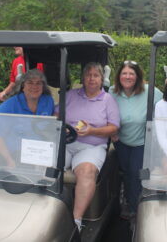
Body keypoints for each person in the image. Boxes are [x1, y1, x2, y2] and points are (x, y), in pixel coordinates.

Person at [56, 62, 120, 231]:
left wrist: (93, 130)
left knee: (86, 172)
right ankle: (48, 212)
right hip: (66, 142)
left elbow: (114, 127)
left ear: (101, 79)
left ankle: (75, 221)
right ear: (83, 78)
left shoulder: (107, 100)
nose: (92, 78)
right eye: (88, 75)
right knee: (47, 166)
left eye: (96, 75)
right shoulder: (71, 95)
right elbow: (56, 114)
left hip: (91, 147)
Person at [109, 60, 163, 218]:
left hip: (142, 141)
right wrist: (111, 130)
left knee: (135, 172)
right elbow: (103, 110)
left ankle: (135, 210)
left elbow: (165, 106)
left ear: (138, 76)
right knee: (126, 171)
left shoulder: (151, 91)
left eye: (131, 74)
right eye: (124, 73)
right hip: (121, 140)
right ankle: (127, 198)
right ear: (119, 76)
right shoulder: (112, 92)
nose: (127, 76)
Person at [0, 69, 54, 167]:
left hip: (28, 149)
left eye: (38, 83)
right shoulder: (9, 106)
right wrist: (9, 160)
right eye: (30, 83)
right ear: (23, 86)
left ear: (43, 86)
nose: (34, 86)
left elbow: (53, 121)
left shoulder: (48, 101)